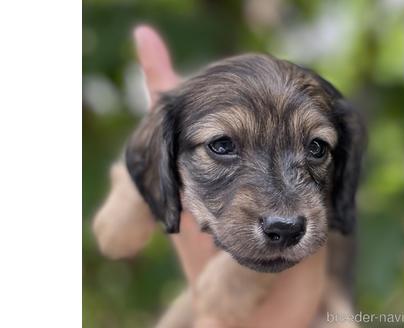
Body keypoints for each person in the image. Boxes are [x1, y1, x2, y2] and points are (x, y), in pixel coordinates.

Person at [93, 25, 327, 327]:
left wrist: (243, 274)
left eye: (315, 148)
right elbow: (147, 159)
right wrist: (133, 195)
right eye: (223, 145)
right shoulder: (170, 135)